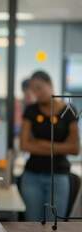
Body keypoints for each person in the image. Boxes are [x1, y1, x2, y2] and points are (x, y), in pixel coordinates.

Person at [20, 70, 79, 221]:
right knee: (32, 225)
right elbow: (25, 144)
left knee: (55, 227)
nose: (36, 93)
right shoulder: (31, 111)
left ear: (50, 85)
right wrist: (59, 147)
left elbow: (75, 148)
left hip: (58, 175)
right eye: (33, 90)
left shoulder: (69, 110)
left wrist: (43, 144)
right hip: (32, 176)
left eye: (39, 88)